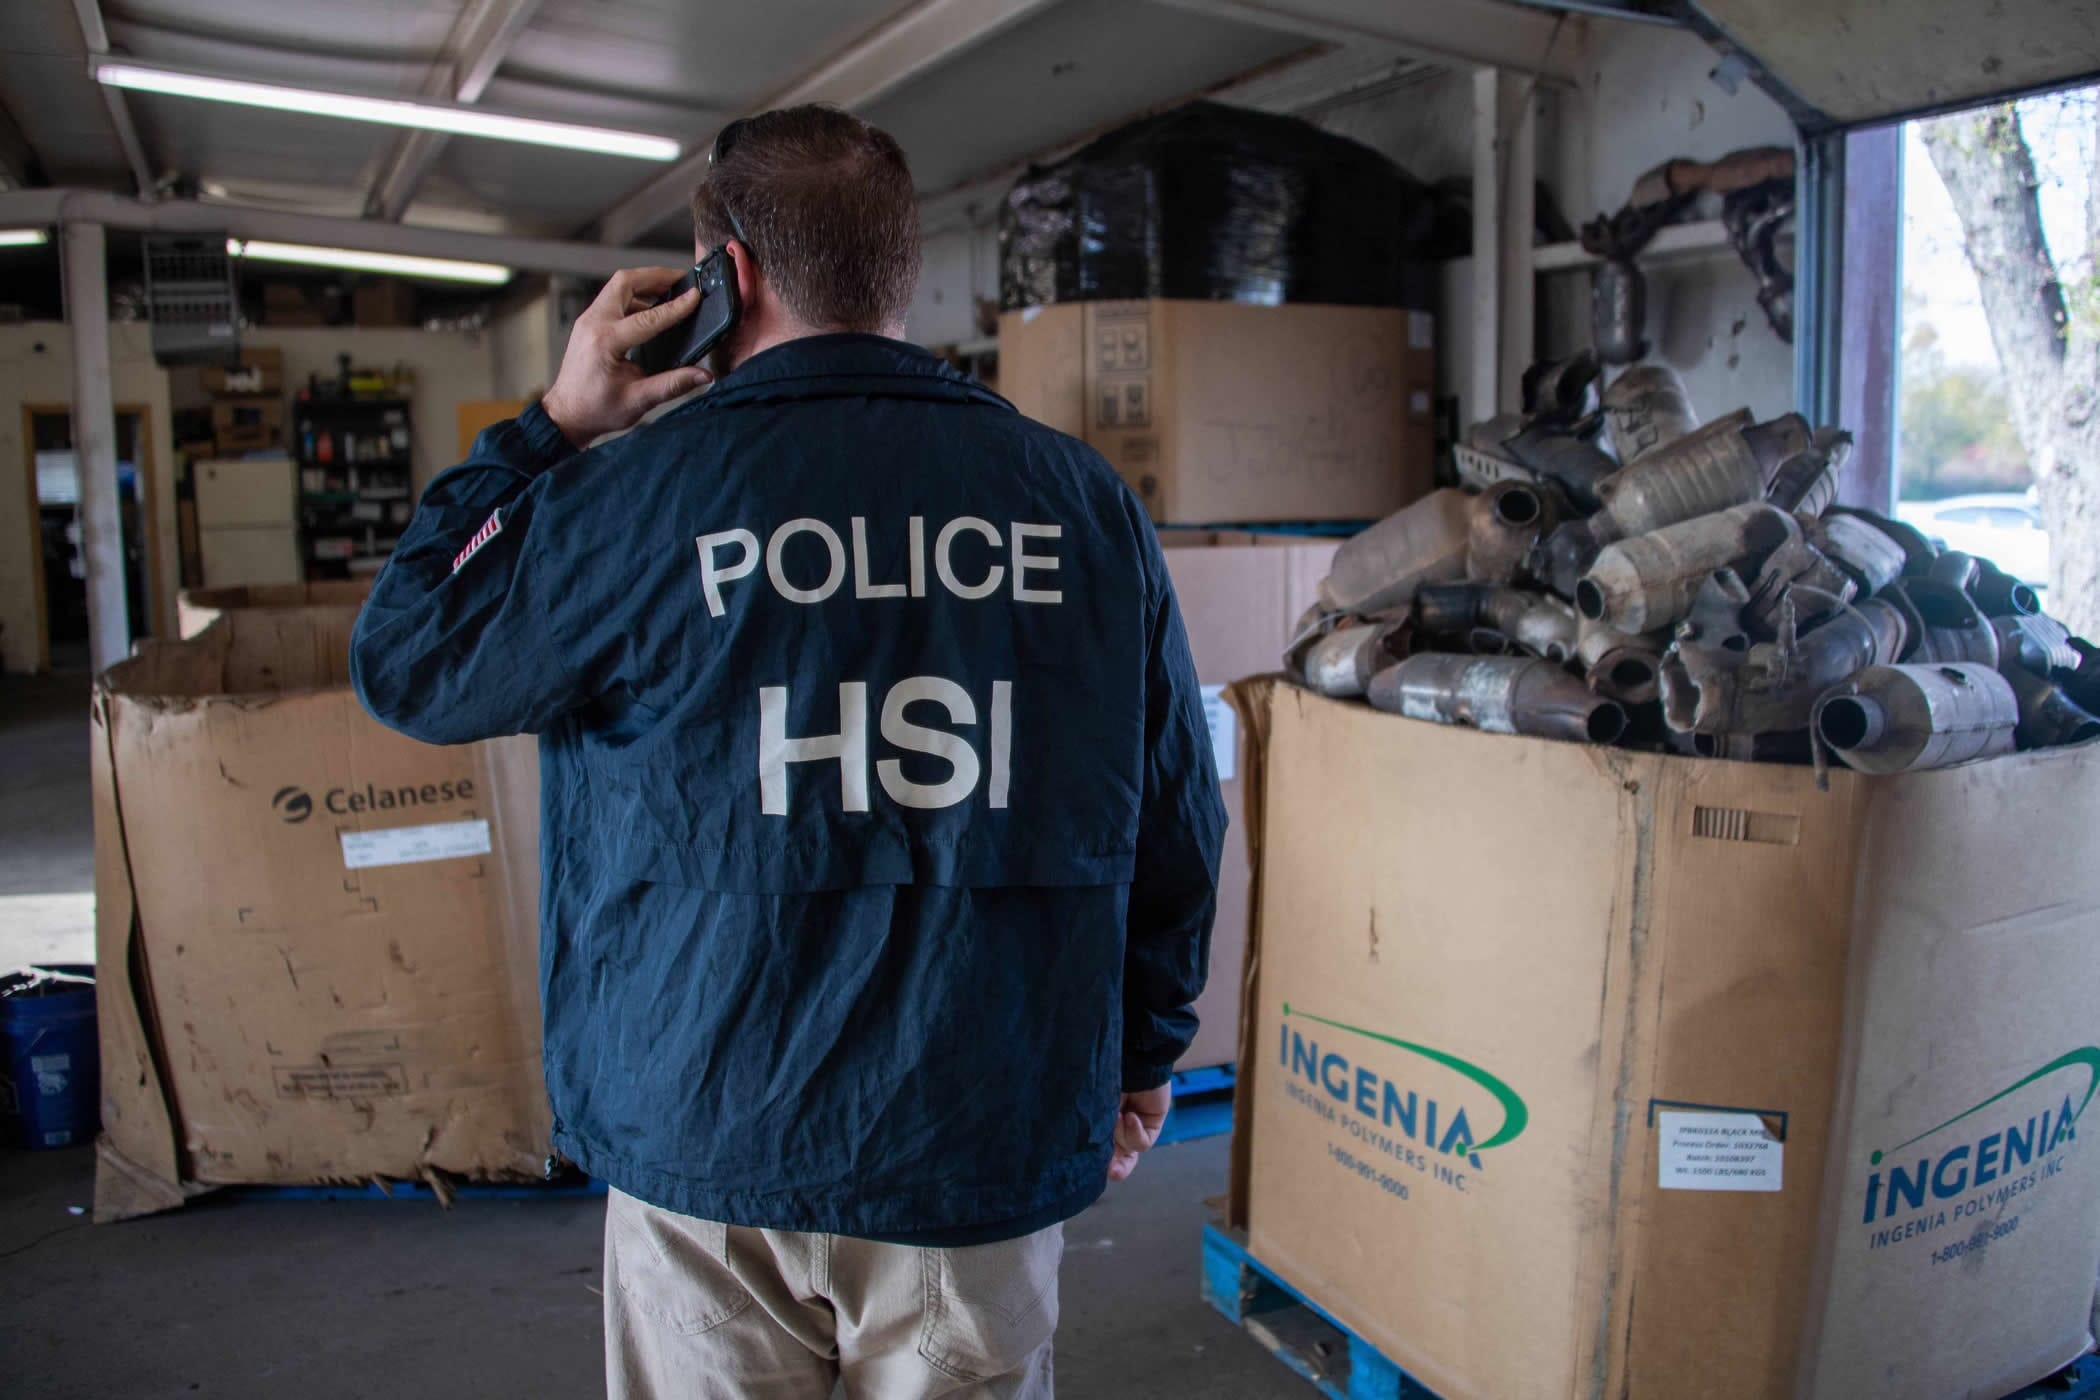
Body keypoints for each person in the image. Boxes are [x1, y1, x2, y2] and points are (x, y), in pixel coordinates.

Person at [351, 104, 1224, 1399]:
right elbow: (1171, 811)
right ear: (904, 276)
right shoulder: (1080, 502)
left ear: (726, 277)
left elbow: (409, 655)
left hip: (707, 1128)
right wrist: (1142, 1052)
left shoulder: (633, 499)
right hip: (971, 1134)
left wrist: (550, 425)